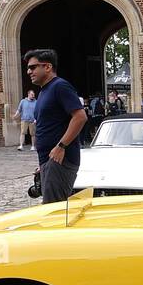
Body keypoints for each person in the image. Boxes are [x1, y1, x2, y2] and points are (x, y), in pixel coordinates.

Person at [26, 49, 87, 204]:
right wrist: (45, 164)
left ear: (47, 67)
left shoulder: (60, 86)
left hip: (61, 160)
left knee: (54, 211)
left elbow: (80, 117)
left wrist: (61, 147)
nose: (29, 71)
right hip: (49, 161)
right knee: (52, 209)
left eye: (33, 67)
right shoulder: (43, 91)